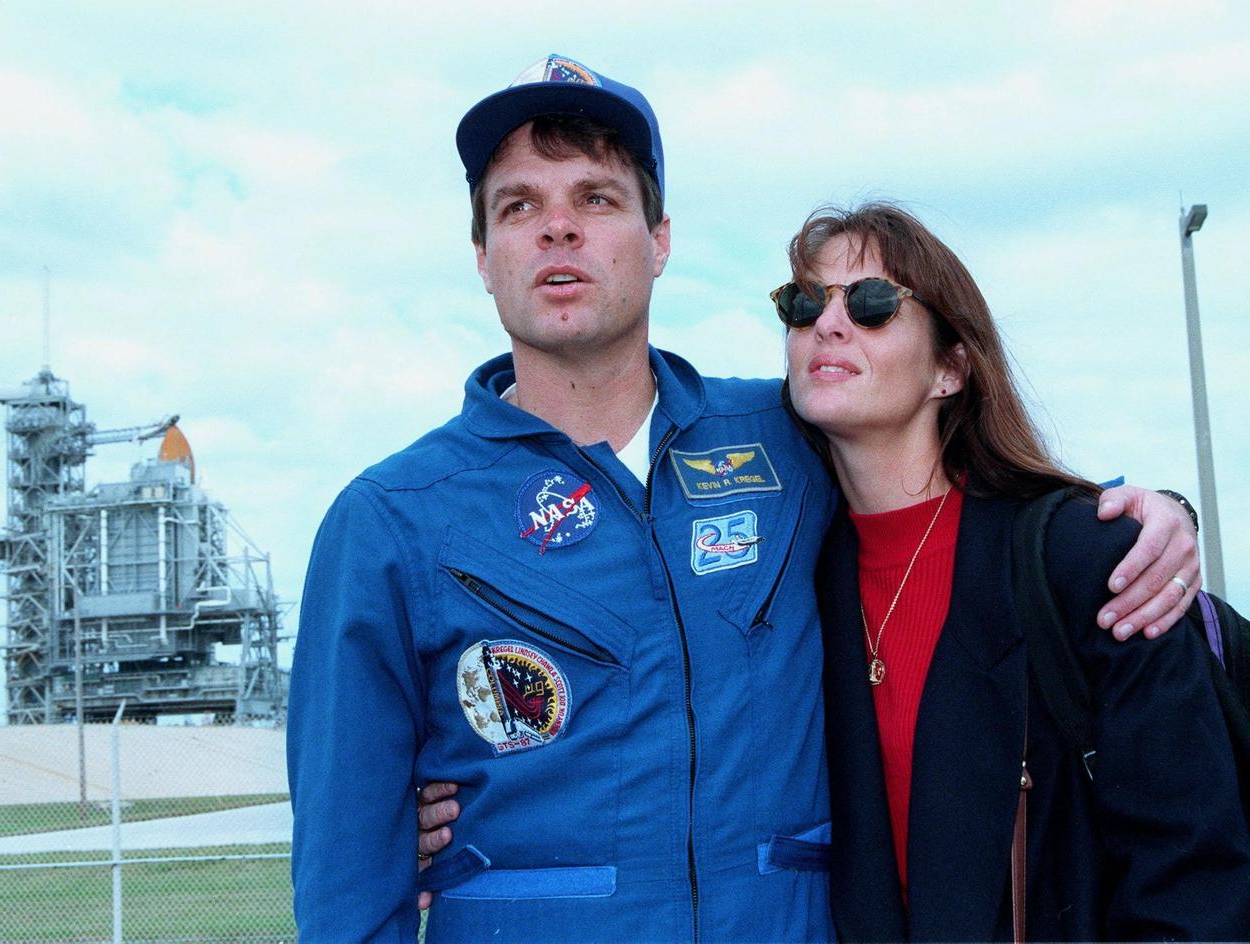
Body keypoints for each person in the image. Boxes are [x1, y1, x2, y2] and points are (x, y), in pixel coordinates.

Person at [286, 55, 1200, 943]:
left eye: (596, 199)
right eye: (518, 206)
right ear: (484, 257)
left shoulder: (787, 435)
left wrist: (1138, 514)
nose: (556, 229)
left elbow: (951, 480)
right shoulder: (392, 522)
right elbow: (344, 890)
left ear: (661, 242)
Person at [783, 203, 1250, 940]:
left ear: (949, 368)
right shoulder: (790, 576)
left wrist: (1169, 512)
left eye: (872, 304)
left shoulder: (1087, 561)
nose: (827, 325)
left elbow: (1192, 869)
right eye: (805, 303)